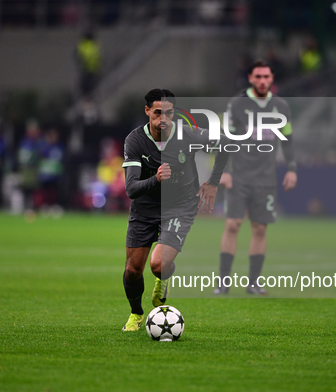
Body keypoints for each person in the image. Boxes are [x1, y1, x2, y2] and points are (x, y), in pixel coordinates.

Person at [121, 88, 229, 331]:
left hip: (179, 206)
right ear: (147, 111)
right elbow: (131, 189)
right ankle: (136, 313)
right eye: (158, 113)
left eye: (169, 113)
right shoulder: (135, 140)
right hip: (145, 208)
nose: (163, 119)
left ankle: (163, 277)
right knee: (133, 269)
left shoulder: (187, 134)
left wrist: (213, 183)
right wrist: (155, 180)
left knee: (158, 264)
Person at [215, 60, 297, 296]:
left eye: (266, 76)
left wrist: (291, 168)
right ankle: (223, 284)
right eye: (258, 76)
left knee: (260, 228)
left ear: (272, 79)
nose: (262, 81)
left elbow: (288, 140)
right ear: (250, 78)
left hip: (265, 178)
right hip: (239, 175)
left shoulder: (281, 106)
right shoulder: (237, 105)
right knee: (233, 224)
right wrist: (225, 171)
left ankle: (253, 283)